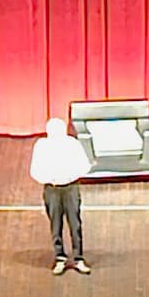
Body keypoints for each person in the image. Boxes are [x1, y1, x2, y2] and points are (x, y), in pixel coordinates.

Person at [28, 117, 92, 275]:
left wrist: (71, 176)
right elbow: (35, 169)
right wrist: (49, 179)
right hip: (52, 189)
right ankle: (60, 258)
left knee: (75, 224)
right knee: (55, 225)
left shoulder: (72, 144)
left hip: (71, 188)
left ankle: (78, 258)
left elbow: (85, 165)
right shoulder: (42, 146)